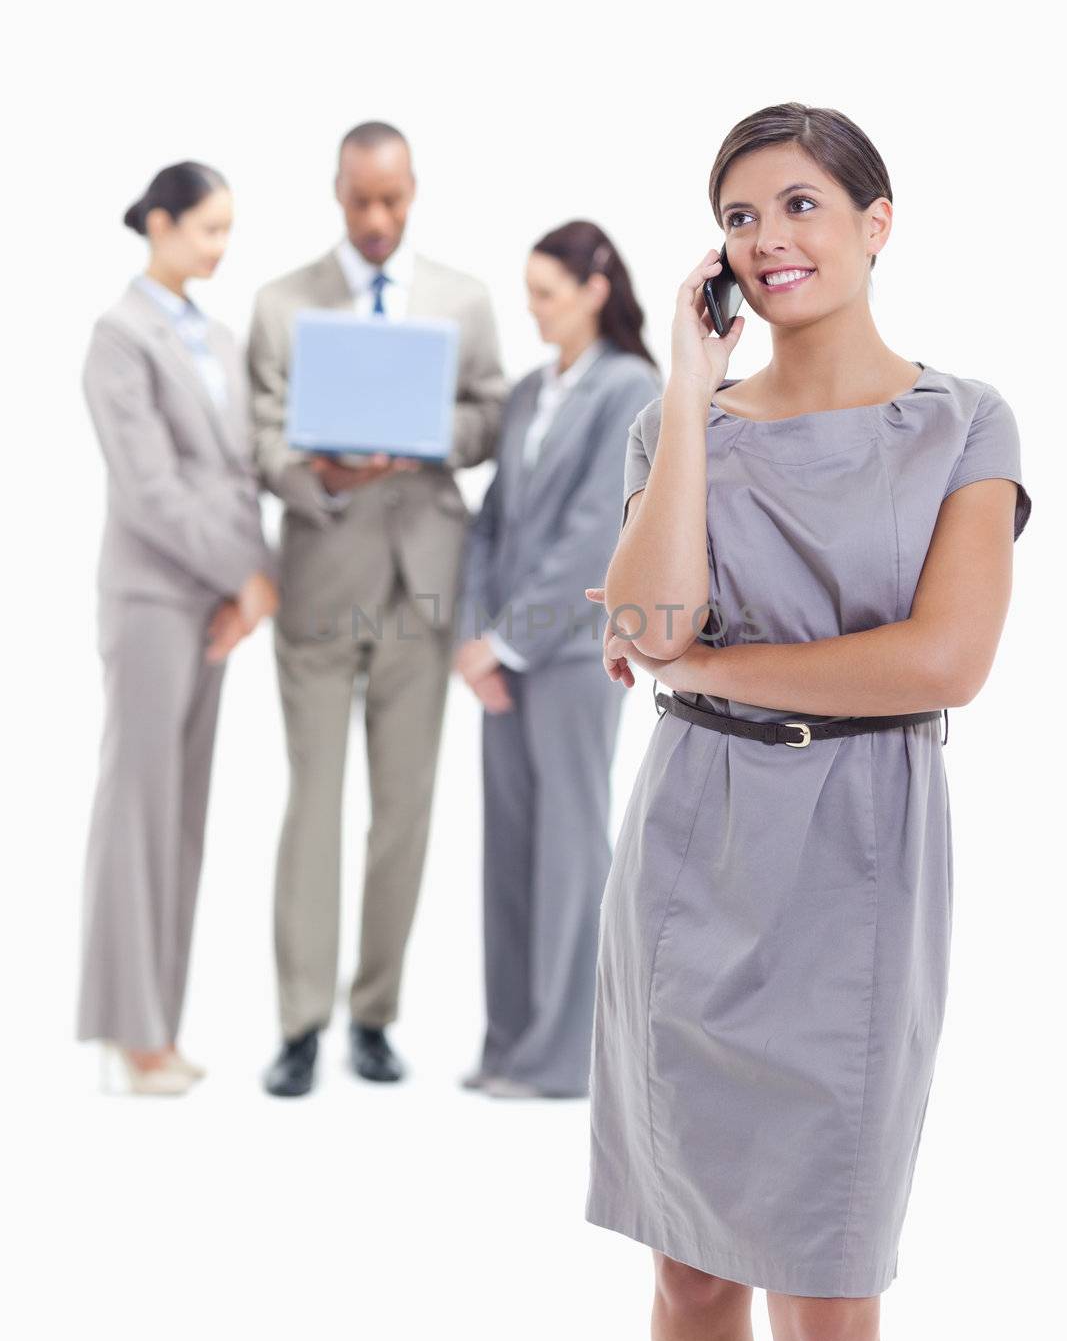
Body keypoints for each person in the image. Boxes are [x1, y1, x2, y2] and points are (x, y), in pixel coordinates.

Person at [583, 103, 1032, 1341]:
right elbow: (647, 621)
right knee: (687, 1280)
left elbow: (942, 660)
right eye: (738, 215)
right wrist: (680, 383)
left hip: (858, 862)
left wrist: (707, 668)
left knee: (829, 1305)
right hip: (689, 858)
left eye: (798, 206)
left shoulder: (964, 423)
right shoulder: (683, 432)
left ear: (873, 224)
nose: (768, 239)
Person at [248, 120, 507, 1096]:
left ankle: (372, 1015)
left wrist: (425, 433)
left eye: (390, 201)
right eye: (358, 200)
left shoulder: (463, 300)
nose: (374, 219)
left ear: (412, 192)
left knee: (403, 810)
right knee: (312, 805)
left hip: (421, 581)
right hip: (321, 576)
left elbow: (490, 414)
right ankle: (298, 1024)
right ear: (335, 192)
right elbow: (260, 434)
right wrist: (320, 467)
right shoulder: (281, 304)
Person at [78, 161, 279, 1095]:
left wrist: (255, 585)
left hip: (216, 602)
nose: (221, 246)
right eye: (208, 228)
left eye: (228, 228)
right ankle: (129, 1033)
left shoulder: (221, 335)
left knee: (184, 813)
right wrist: (239, 573)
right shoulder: (118, 339)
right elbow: (150, 489)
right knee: (137, 808)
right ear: (160, 224)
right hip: (155, 598)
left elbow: (239, 474)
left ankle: (159, 1027)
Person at [452, 221, 661, 1099]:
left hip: (572, 655)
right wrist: (474, 639)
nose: (531, 312)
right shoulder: (533, 393)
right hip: (500, 658)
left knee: (570, 847)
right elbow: (490, 519)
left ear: (593, 290)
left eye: (545, 294)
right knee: (508, 846)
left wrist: (505, 639)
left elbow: (593, 537)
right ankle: (507, 1043)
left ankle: (560, 1055)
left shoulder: (632, 389)